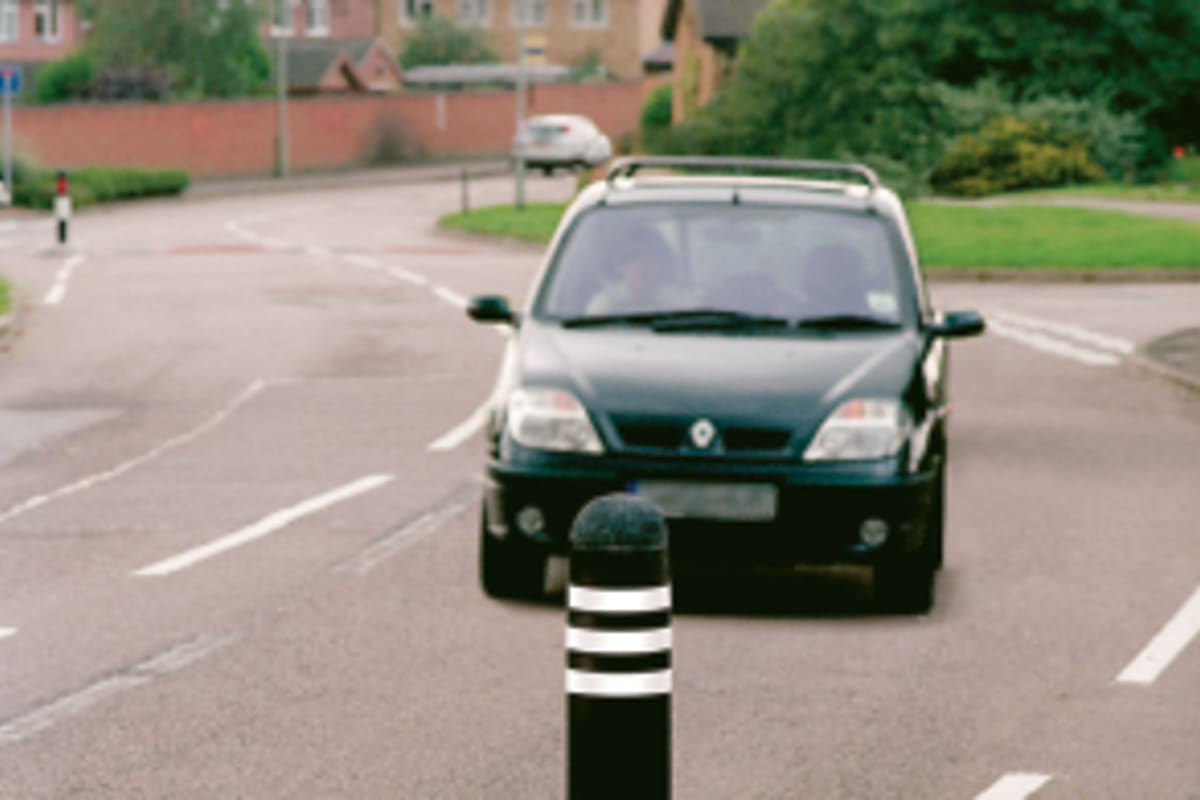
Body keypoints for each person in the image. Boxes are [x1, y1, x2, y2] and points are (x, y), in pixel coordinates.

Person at [585, 227, 690, 315]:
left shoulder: (681, 305)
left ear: (661, 264)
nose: (643, 268)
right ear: (620, 266)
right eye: (634, 261)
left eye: (651, 260)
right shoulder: (603, 307)